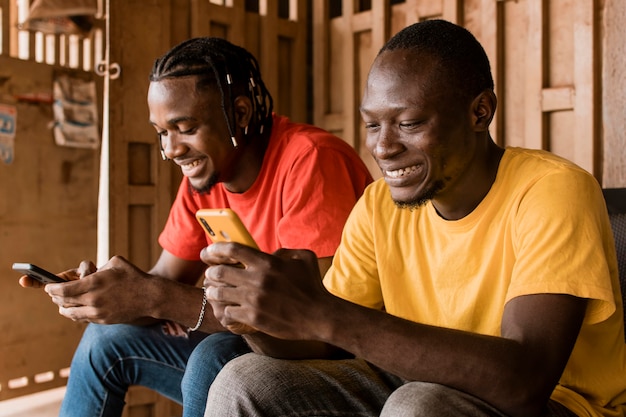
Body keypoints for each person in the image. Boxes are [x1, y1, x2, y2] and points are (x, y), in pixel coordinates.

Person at [200, 19, 626, 417]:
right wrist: (257, 315)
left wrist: (324, 313)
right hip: (416, 384)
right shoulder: (377, 204)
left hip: (554, 403)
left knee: (417, 404)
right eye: (372, 126)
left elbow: (524, 381)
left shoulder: (552, 189)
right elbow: (323, 341)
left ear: (480, 112)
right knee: (243, 378)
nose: (383, 147)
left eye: (409, 123)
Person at [18, 37, 373, 417]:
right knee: (106, 338)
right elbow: (165, 281)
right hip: (253, 343)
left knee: (214, 354)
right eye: (162, 133)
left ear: (239, 112)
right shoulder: (203, 178)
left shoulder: (312, 161)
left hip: (327, 364)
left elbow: (314, 326)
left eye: (184, 127)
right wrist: (107, 294)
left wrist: (160, 298)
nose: (171, 149)